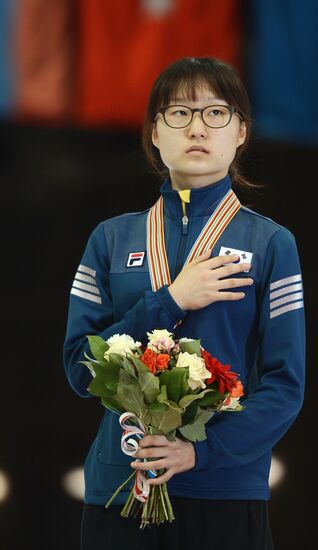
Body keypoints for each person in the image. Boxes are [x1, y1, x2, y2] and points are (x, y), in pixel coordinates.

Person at [63, 57, 305, 550]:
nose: (197, 127)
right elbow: (79, 371)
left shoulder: (272, 245)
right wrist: (171, 298)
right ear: (155, 132)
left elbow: (285, 386)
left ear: (241, 132)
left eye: (216, 112)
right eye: (178, 113)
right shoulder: (110, 240)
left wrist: (202, 452)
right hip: (118, 486)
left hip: (224, 493)